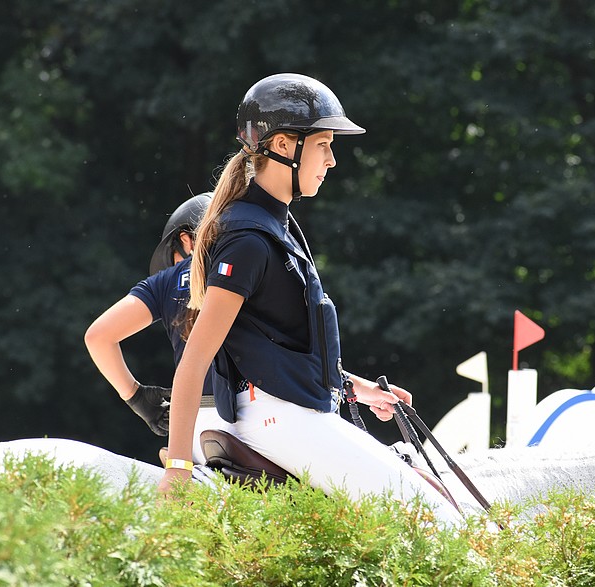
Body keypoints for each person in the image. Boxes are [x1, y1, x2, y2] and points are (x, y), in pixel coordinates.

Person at [158, 73, 462, 527]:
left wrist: (358, 389)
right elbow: (194, 361)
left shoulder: (275, 226)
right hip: (281, 419)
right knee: (439, 521)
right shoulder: (249, 237)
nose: (332, 160)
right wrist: (178, 468)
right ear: (283, 145)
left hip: (285, 409)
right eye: (323, 145)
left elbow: (278, 345)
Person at [84, 193, 229, 465]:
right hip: (258, 411)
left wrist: (137, 397)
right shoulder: (252, 262)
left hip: (194, 429)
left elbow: (97, 337)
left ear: (187, 240)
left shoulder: (167, 281)